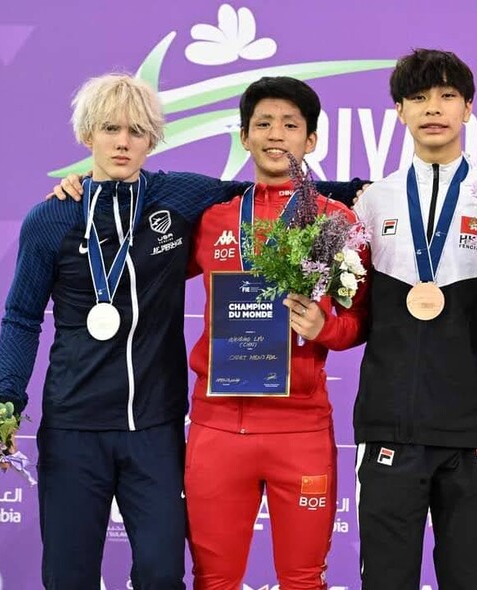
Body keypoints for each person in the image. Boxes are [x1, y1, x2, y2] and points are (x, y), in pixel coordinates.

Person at [0, 73, 360, 589]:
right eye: (110, 129)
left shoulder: (179, 196)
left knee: (163, 574)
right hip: (73, 424)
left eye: (138, 131)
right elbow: (20, 317)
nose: (123, 142)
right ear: (87, 135)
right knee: (68, 575)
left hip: (156, 425)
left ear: (153, 138)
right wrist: (9, 397)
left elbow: (265, 188)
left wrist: (355, 191)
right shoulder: (50, 218)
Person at [351, 49, 477, 590]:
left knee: (469, 580)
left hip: (471, 426)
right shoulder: (371, 204)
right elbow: (354, 315)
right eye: (417, 97)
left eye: (446, 96)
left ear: (469, 108)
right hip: (391, 422)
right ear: (398, 111)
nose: (432, 108)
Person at [184, 76, 369, 589]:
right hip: (217, 426)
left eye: (291, 125)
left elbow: (360, 321)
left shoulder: (339, 222)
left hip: (300, 430)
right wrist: (82, 186)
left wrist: (325, 328)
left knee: (303, 579)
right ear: (243, 136)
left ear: (311, 140)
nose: (276, 135)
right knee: (214, 579)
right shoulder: (211, 219)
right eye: (263, 123)